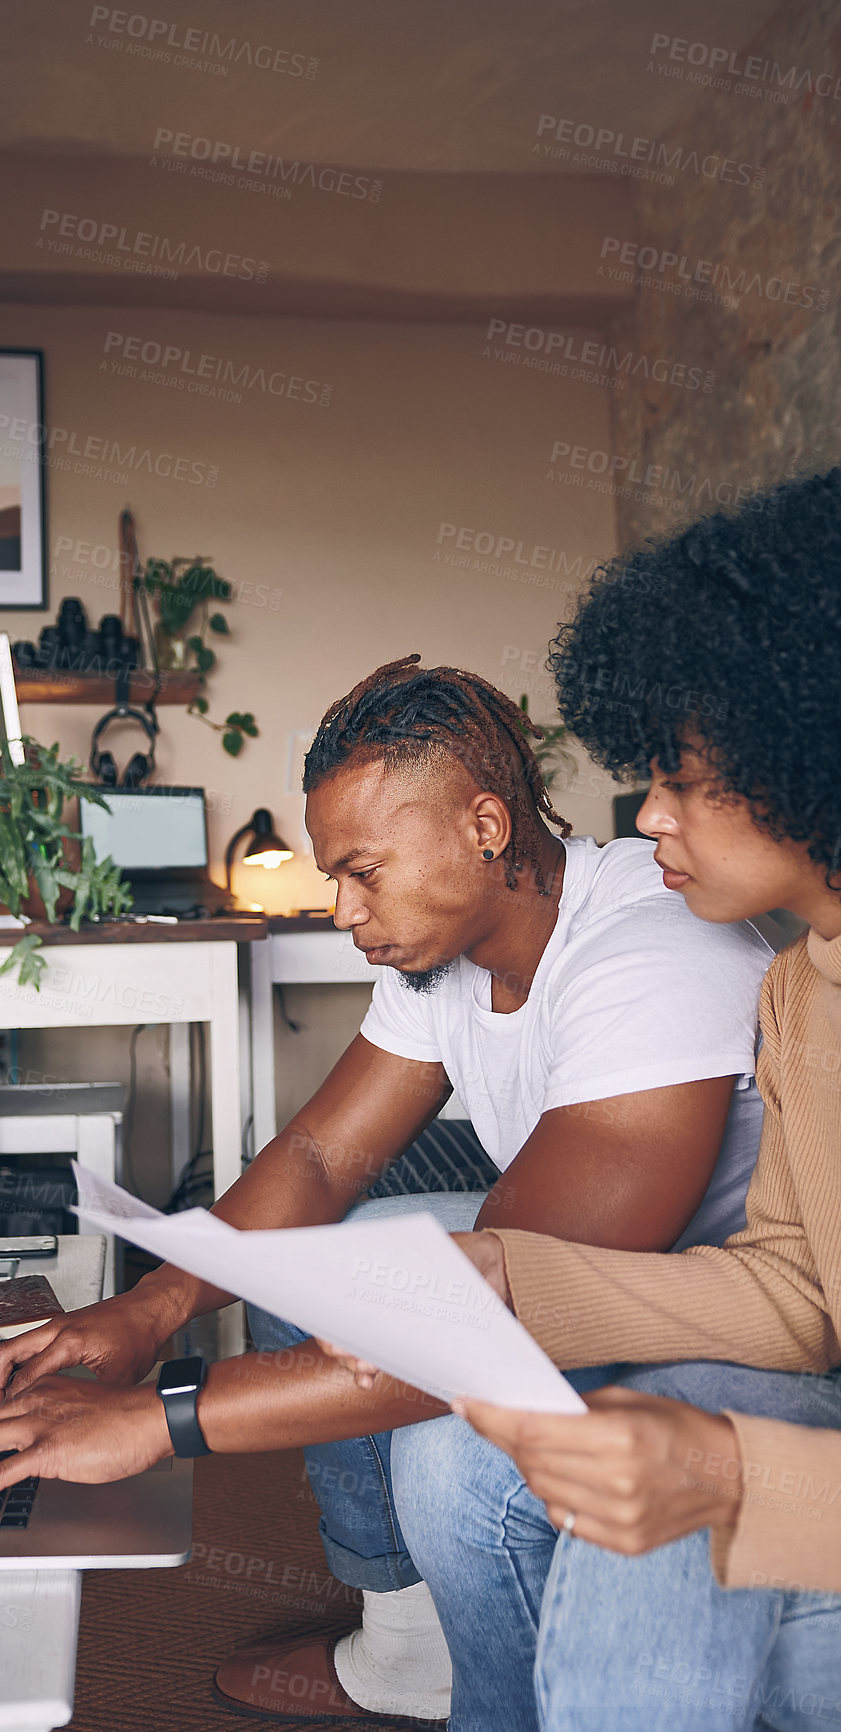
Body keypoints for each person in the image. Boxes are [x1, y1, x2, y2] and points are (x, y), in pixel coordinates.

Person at [0, 657, 771, 1726]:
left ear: (483, 825)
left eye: (364, 870)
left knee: (445, 1460)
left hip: (713, 1315)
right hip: (564, 1272)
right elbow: (325, 1158)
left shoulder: (647, 950)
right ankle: (409, 1651)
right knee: (312, 1259)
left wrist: (157, 1419)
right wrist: (149, 1310)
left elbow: (487, 1321)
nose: (342, 908)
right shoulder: (446, 953)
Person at [327, 467, 841, 1729]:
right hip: (783, 1379)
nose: (648, 809)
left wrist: (733, 1472)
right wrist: (505, 1269)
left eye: (683, 775)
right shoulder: (797, 991)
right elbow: (794, 1294)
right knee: (461, 1389)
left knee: (653, 1464)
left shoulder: (669, 953)